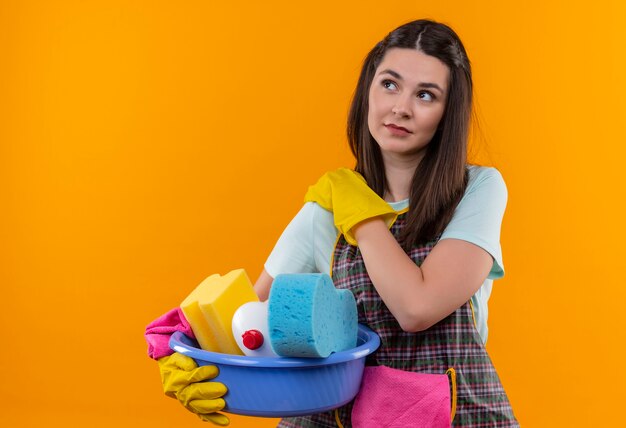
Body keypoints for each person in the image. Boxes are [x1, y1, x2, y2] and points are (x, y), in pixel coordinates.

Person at [150, 19, 519, 427]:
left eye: (426, 95)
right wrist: (183, 353)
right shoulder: (324, 209)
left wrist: (360, 213)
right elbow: (244, 325)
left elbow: (417, 308)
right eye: (390, 84)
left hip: (451, 414)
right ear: (367, 91)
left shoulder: (478, 190)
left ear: (449, 112)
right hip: (337, 415)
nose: (401, 107)